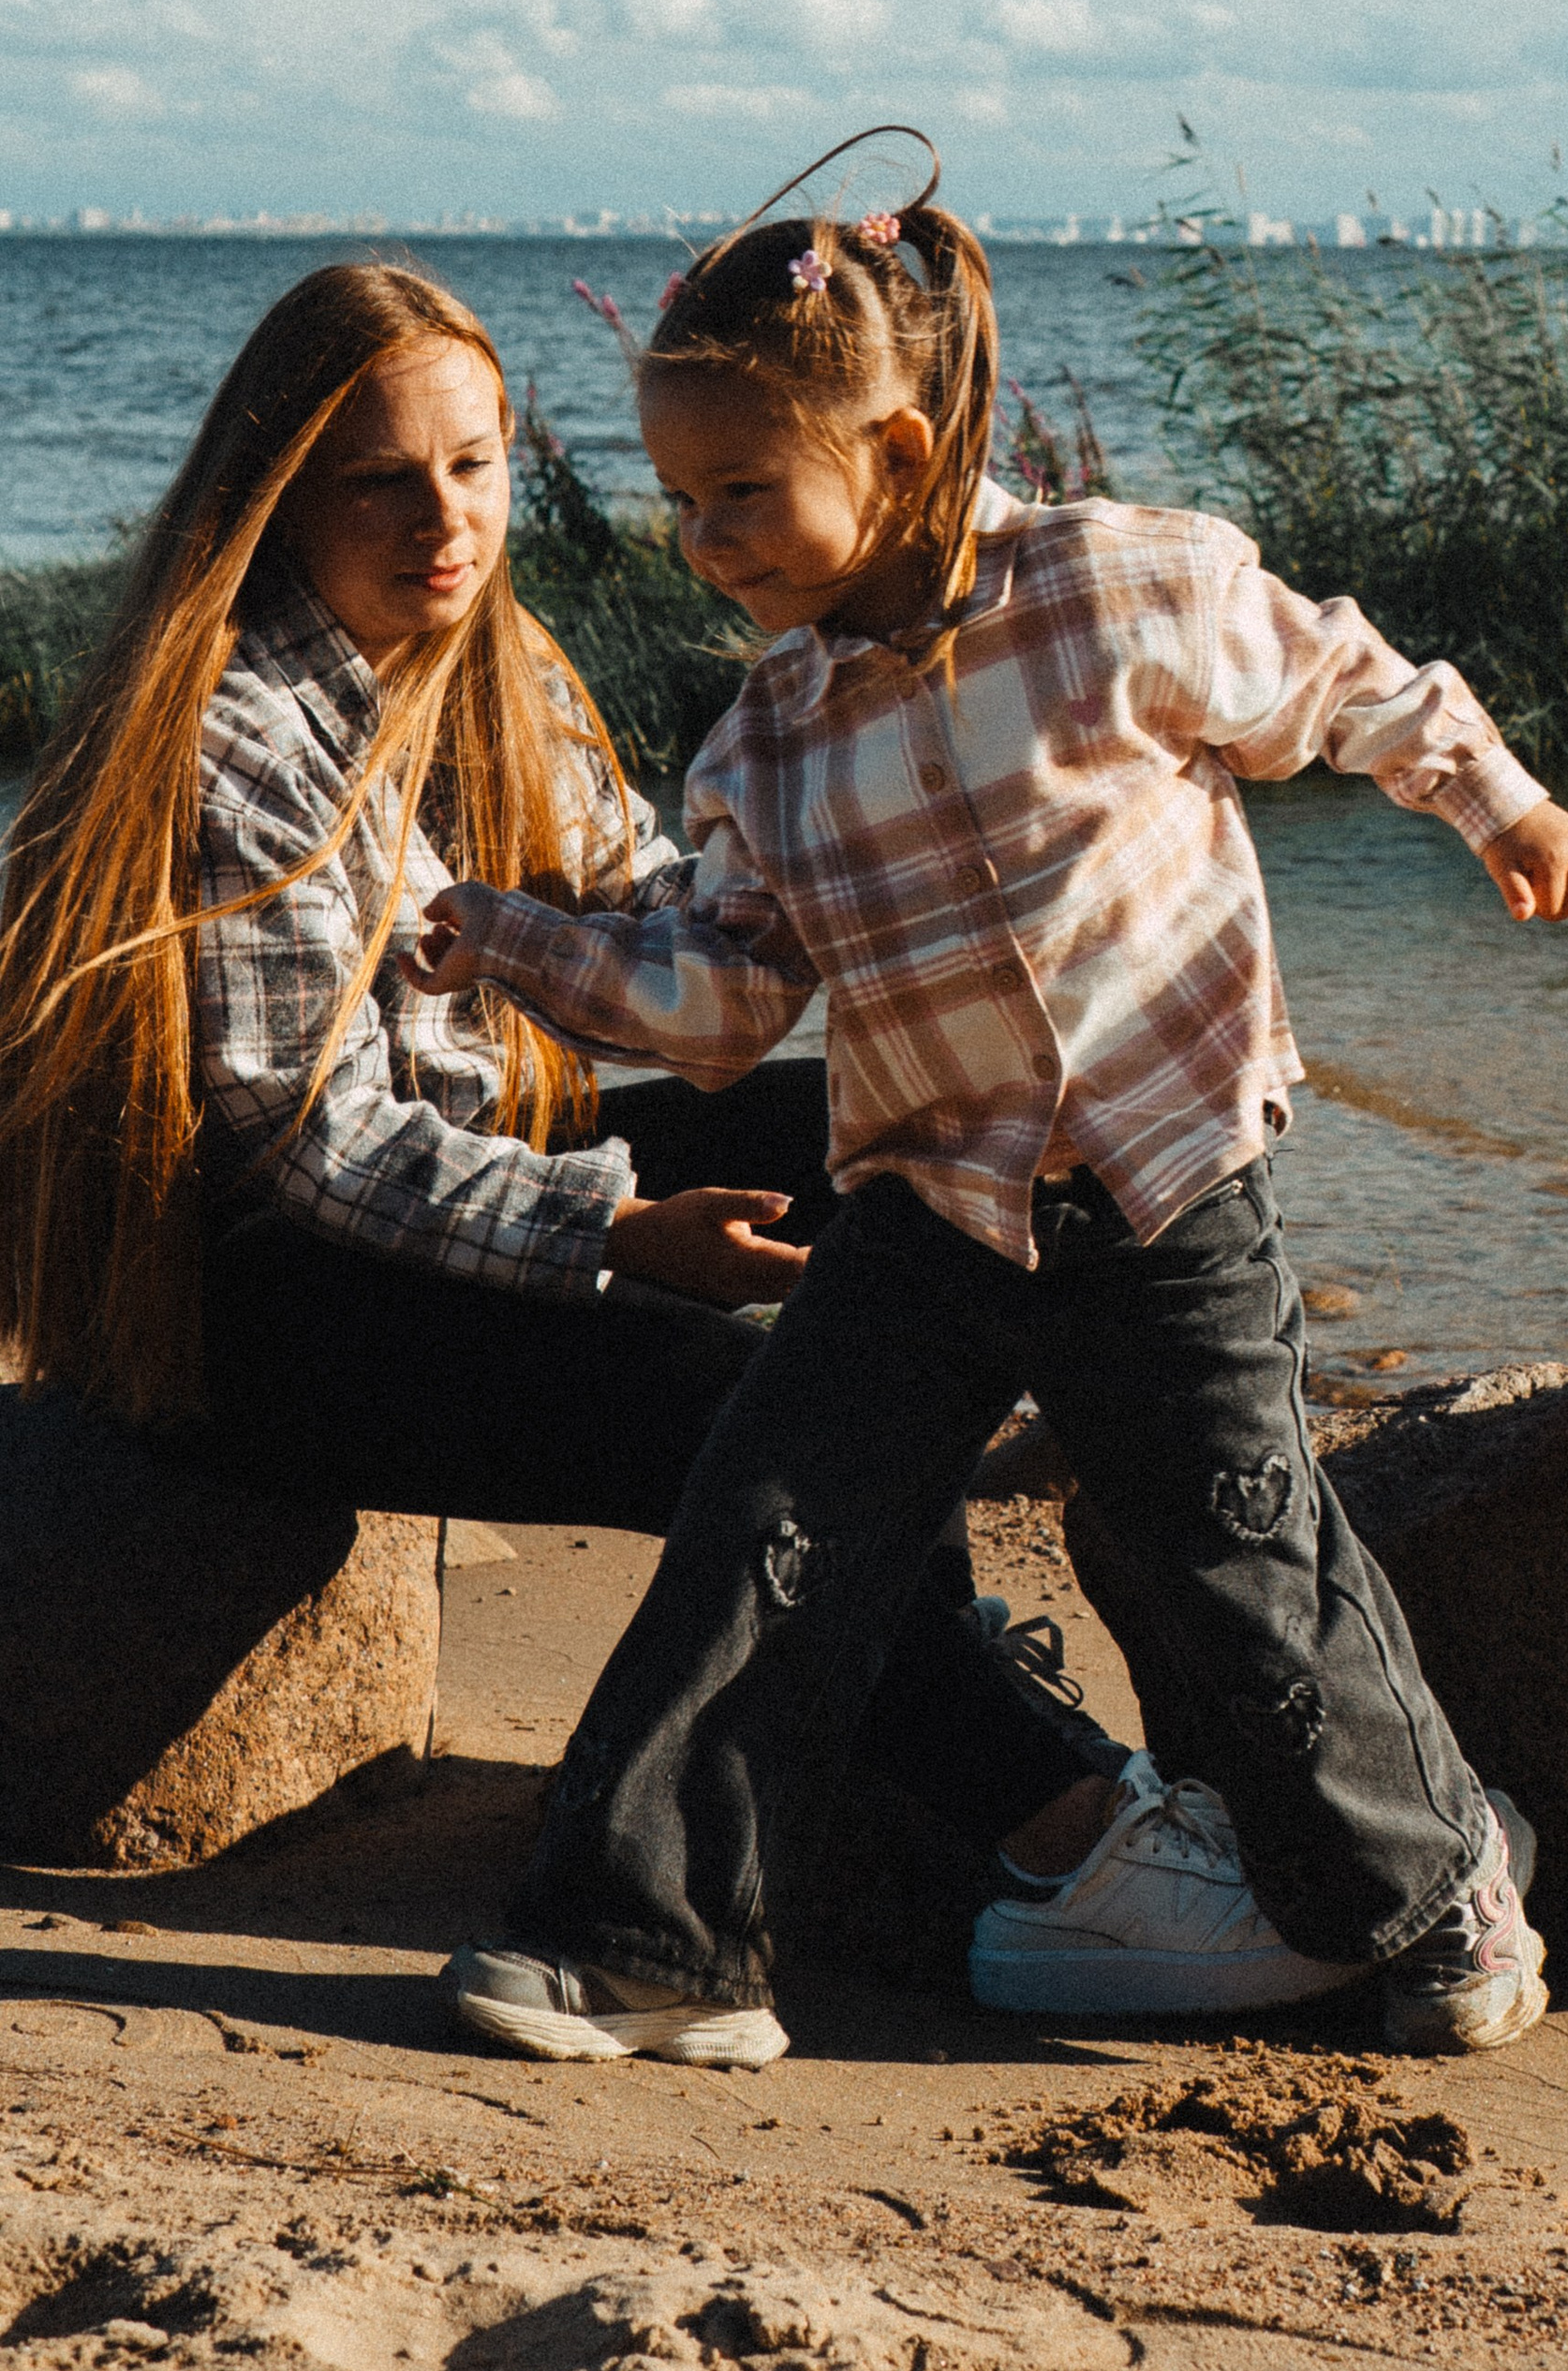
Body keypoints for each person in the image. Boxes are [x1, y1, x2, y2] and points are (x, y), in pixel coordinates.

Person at [416, 137, 1568, 2070]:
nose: (703, 539)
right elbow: (719, 1009)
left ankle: (1434, 1893)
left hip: (1164, 1190)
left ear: (893, 450)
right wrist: (509, 940)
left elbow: (1347, 687)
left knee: (1236, 1548)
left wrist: (1501, 800)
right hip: (921, 1214)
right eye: (681, 504)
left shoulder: (1123, 589)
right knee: (766, 1530)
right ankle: (651, 1943)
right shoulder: (767, 745)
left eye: (742, 495)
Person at [0, 258, 1125, 1965]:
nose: (446, 517)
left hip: (461, 1181)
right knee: (732, 1404)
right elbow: (307, 1141)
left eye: (477, 461)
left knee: (893, 1129)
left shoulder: (484, 663)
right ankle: (1075, 1821)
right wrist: (612, 1235)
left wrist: (917, 894)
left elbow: (663, 903)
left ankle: (896, 1731)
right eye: (384, 476)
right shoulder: (240, 733)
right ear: (279, 490)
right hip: (254, 1298)